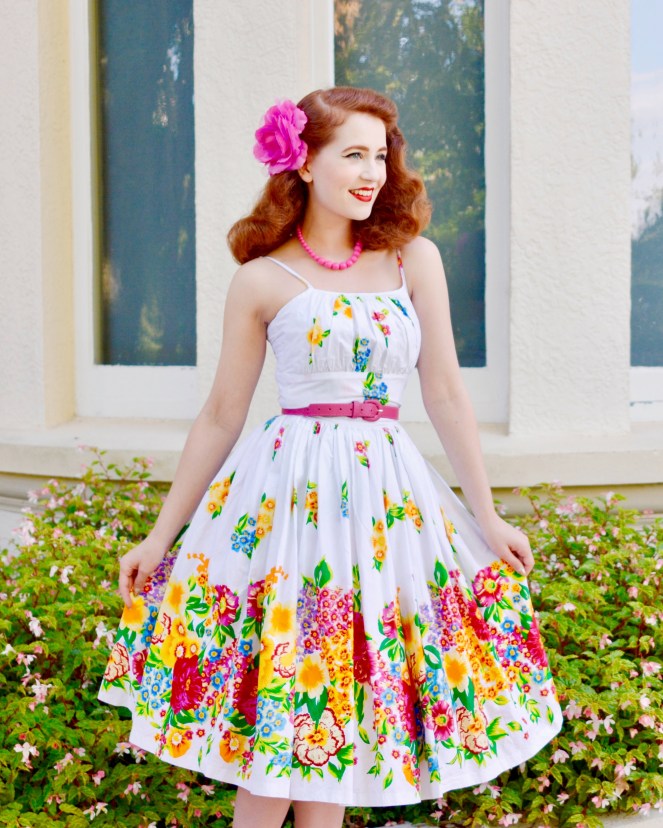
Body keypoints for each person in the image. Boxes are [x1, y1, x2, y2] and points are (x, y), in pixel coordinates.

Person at [99, 86, 563, 828]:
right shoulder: (262, 279)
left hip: (385, 504)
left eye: (380, 155)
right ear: (305, 163)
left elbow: (445, 393)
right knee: (284, 723)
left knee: (337, 715)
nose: (372, 172)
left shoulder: (413, 261)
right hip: (289, 505)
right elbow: (221, 415)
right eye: (353, 154)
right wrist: (160, 536)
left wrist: (487, 516)